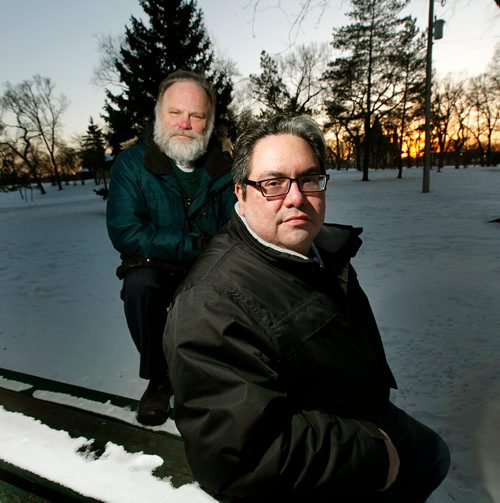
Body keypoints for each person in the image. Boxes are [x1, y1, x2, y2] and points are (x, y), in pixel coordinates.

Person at [164, 115, 450, 501]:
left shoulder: (320, 250)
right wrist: (372, 453)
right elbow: (239, 458)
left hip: (357, 413)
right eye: (273, 183)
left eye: (309, 179)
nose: (296, 197)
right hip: (323, 452)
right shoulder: (210, 304)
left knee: (433, 454)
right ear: (240, 195)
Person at [106, 70, 235, 426]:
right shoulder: (132, 165)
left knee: (232, 286)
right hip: (155, 267)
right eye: (175, 113)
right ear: (158, 115)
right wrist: (193, 244)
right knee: (139, 286)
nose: (185, 124)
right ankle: (159, 377)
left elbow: (235, 230)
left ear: (208, 123)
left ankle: (217, 382)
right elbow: (126, 230)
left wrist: (210, 253)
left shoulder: (224, 169)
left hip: (208, 269)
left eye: (197, 116)